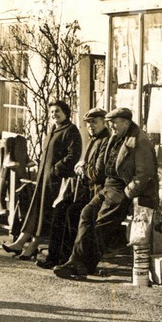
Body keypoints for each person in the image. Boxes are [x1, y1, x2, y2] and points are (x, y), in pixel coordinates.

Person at [53, 106, 157, 279]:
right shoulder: (116, 137)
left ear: (126, 122)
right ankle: (76, 261)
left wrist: (128, 192)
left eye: (115, 123)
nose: (112, 127)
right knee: (86, 214)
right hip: (108, 186)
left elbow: (145, 174)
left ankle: (81, 264)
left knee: (101, 224)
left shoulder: (139, 140)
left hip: (123, 188)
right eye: (110, 124)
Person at [0, 100, 81, 261]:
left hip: (58, 181)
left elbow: (73, 155)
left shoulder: (71, 131)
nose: (54, 115)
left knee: (46, 213)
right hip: (44, 178)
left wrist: (56, 170)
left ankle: (32, 246)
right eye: (51, 112)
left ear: (66, 112)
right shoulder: (53, 129)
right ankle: (20, 242)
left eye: (57, 111)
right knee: (36, 210)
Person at [38, 106, 110, 269]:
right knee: (61, 208)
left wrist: (83, 168)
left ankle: (66, 259)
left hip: (99, 191)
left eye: (95, 122)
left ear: (104, 123)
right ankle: (54, 257)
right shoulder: (94, 139)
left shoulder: (106, 141)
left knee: (72, 212)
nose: (91, 126)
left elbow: (99, 173)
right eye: (89, 123)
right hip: (88, 188)